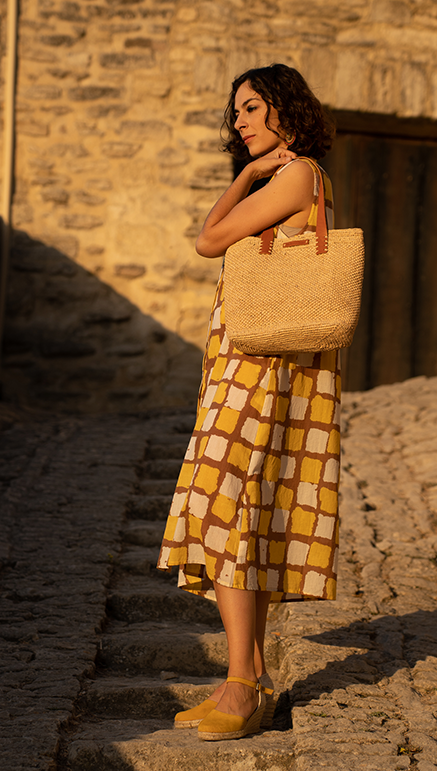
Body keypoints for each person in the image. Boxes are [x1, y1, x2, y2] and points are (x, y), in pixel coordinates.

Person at [157, 63, 341, 742]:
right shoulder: (283, 176)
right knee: (245, 515)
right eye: (235, 111)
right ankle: (250, 679)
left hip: (263, 366)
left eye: (252, 107)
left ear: (285, 110)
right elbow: (215, 231)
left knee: (227, 508)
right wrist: (244, 174)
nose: (240, 120)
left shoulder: (299, 175)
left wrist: (252, 178)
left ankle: (243, 682)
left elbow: (209, 241)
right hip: (254, 363)